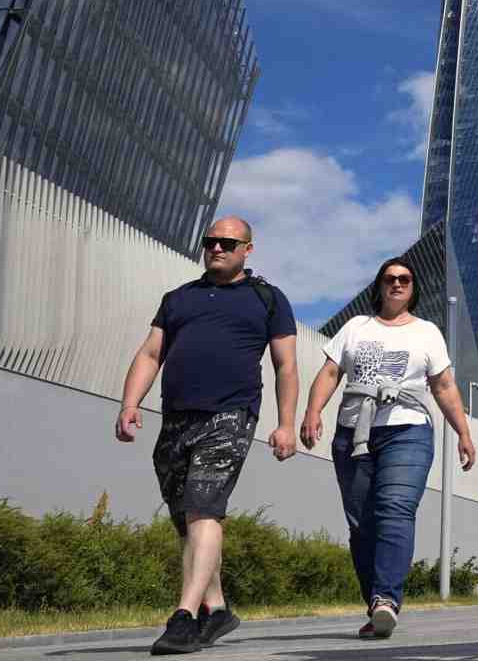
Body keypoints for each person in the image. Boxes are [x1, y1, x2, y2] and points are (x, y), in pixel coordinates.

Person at [116, 216, 300, 656]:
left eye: (227, 242)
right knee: (188, 520)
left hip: (231, 416)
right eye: (211, 241)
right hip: (176, 418)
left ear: (247, 250)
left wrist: (286, 423)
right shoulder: (179, 298)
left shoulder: (268, 299)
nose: (217, 248)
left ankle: (183, 616)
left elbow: (286, 366)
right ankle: (217, 608)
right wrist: (129, 403)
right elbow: (150, 353)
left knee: (203, 509)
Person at [299, 258, 475, 640]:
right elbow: (331, 373)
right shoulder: (355, 328)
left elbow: (444, 386)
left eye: (404, 279)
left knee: (394, 508)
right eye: (390, 278)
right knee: (362, 524)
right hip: (353, 431)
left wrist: (463, 431)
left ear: (413, 288)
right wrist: (312, 412)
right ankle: (375, 608)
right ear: (379, 286)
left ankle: (385, 601)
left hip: (407, 429)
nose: (397, 284)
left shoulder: (427, 332)